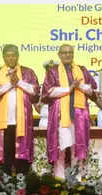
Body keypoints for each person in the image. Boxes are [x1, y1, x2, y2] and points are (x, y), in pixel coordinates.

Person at [41, 44, 97, 179]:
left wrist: (80, 86)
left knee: (77, 149)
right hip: (61, 116)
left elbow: (93, 89)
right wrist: (69, 88)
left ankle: (77, 182)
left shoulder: (82, 70)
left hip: (79, 116)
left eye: (70, 52)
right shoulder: (53, 71)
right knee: (61, 148)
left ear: (73, 54)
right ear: (59, 55)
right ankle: (59, 180)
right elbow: (47, 92)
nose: (67, 55)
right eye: (64, 52)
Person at [0, 44, 40, 175]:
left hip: (22, 122)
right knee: (6, 155)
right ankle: (4, 186)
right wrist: (10, 84)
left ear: (18, 56)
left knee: (21, 158)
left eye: (13, 55)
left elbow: (35, 92)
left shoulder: (27, 72)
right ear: (3, 57)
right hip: (3, 122)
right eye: (8, 56)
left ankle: (22, 184)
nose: (11, 58)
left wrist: (19, 82)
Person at [34, 60, 56, 128]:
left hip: (58, 121)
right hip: (44, 121)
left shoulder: (63, 87)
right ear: (46, 72)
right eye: (48, 71)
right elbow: (36, 106)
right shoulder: (40, 88)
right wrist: (45, 113)